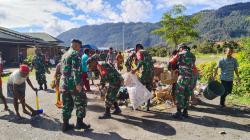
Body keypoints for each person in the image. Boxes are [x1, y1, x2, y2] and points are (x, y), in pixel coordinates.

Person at [60, 39, 90, 132]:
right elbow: (76, 69)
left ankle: (65, 125)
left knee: (67, 104)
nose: (80, 49)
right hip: (73, 84)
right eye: (80, 47)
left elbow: (62, 69)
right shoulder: (75, 54)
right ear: (77, 45)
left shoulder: (64, 54)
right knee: (81, 102)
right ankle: (79, 123)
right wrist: (78, 83)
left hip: (64, 84)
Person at [170, 43, 196, 119]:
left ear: (181, 48)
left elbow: (171, 61)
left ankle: (178, 112)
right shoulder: (192, 55)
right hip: (191, 78)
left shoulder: (180, 54)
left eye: (179, 49)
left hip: (183, 78)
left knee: (179, 94)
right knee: (187, 94)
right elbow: (191, 66)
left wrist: (176, 55)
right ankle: (185, 112)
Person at [132, 44, 154, 111]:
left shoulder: (139, 52)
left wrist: (135, 69)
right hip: (151, 73)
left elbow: (141, 62)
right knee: (148, 89)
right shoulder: (148, 53)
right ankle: (147, 107)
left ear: (137, 48)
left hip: (145, 74)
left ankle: (136, 105)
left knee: (137, 88)